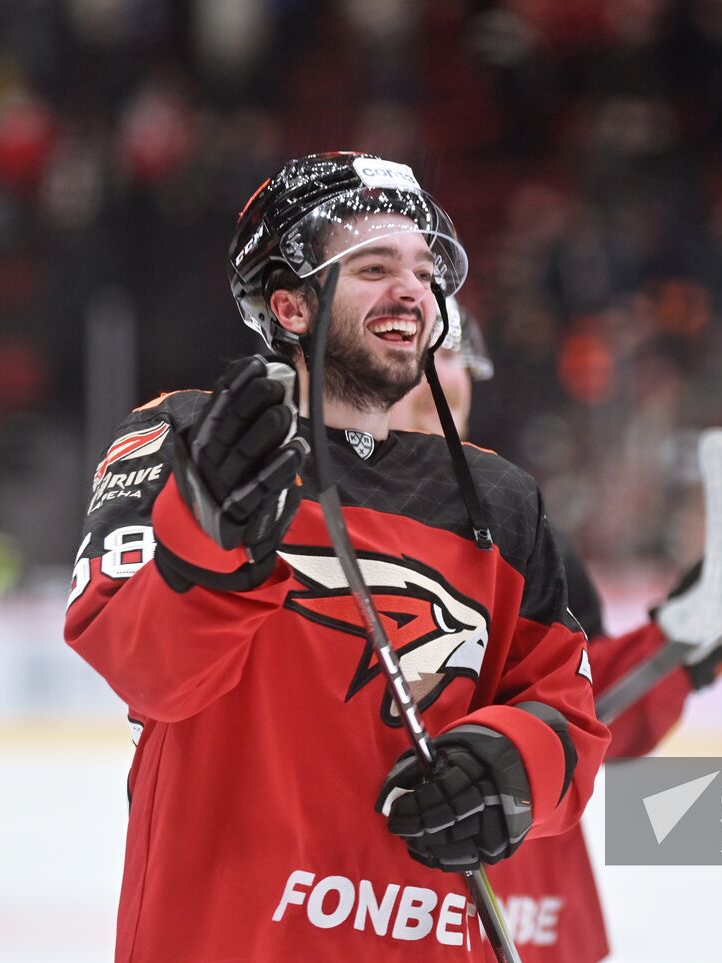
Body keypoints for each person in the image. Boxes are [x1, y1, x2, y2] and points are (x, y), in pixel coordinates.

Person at [64, 152, 609, 962]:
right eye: (375, 266)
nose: (412, 291)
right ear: (289, 303)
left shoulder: (498, 501)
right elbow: (144, 668)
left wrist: (510, 767)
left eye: (425, 271)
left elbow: (564, 714)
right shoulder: (187, 440)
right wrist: (210, 535)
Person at [390, 301, 722, 961]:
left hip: (530, 917)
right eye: (407, 352)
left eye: (448, 354)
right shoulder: (301, 529)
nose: (432, 375)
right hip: (365, 911)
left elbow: (583, 709)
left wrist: (684, 647)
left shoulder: (520, 529)